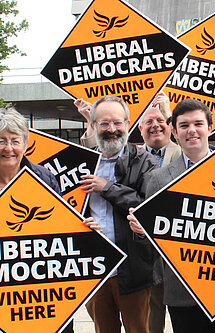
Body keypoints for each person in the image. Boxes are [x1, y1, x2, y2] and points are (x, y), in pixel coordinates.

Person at [76, 93, 181, 333]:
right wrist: (81, 224)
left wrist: (108, 188)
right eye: (104, 123)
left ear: (127, 124)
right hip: (95, 270)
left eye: (117, 122)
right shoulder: (82, 163)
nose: (111, 129)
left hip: (133, 269)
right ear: (93, 126)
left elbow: (149, 208)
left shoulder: (145, 162)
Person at [128, 98, 215, 332]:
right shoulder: (158, 179)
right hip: (182, 294)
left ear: (210, 128)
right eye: (184, 125)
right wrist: (144, 231)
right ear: (174, 131)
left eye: (198, 124)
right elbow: (154, 243)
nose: (191, 130)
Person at [0, 108, 74, 333]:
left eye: (15, 140)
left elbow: (61, 224)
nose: (9, 148)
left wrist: (82, 229)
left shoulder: (44, 177)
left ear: (25, 143)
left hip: (44, 284)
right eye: (1, 141)